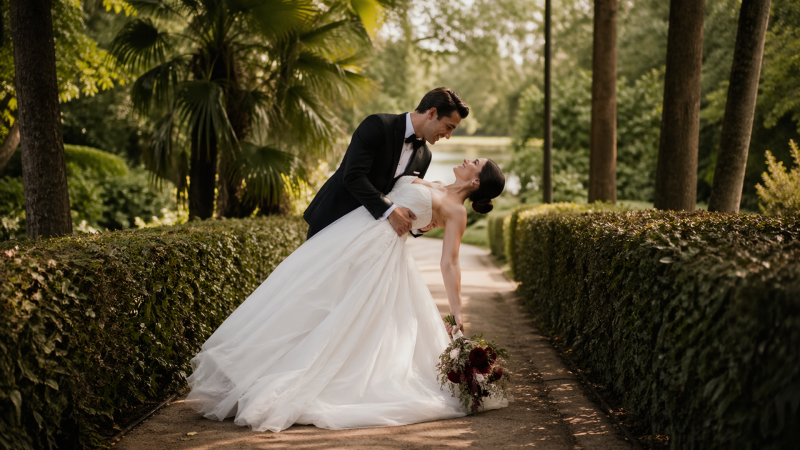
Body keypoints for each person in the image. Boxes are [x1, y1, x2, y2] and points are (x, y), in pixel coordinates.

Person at [185, 107, 508, 434]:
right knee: (307, 298)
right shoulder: (427, 171)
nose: (468, 159)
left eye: (475, 164)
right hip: (348, 234)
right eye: (450, 128)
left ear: (477, 181)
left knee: (345, 318)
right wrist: (406, 216)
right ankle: (252, 371)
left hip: (379, 254)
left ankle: (307, 382)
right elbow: (372, 183)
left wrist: (457, 315)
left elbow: (450, 262)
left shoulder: (455, 212)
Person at [303, 87, 468, 239]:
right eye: (448, 127)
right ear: (431, 113)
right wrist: (390, 210)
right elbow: (353, 176)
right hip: (333, 217)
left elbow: (406, 199)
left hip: (367, 235)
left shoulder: (425, 156)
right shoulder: (378, 125)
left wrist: (422, 227)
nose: (448, 135)